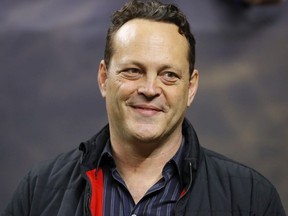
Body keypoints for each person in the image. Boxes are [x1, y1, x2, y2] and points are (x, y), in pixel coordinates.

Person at [2, 0, 285, 215]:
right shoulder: (38, 190)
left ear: (191, 87)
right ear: (104, 78)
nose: (150, 89)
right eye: (133, 71)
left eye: (169, 75)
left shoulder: (251, 198)